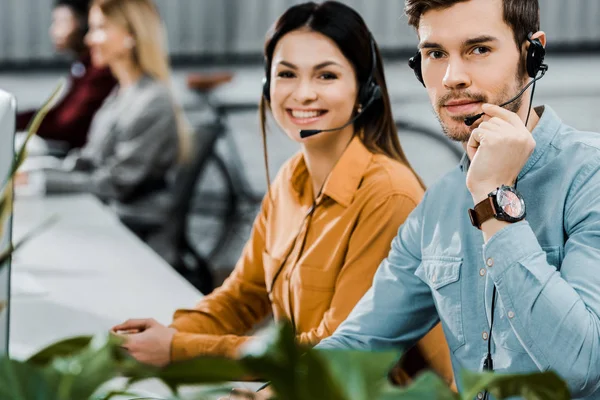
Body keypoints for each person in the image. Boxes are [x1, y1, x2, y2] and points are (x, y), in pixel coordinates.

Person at [112, 0, 454, 387]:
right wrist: (165, 336)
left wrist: (181, 349)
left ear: (364, 91)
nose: (303, 93)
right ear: (267, 85)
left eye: (326, 76)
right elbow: (243, 295)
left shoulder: (389, 195)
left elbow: (337, 350)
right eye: (287, 74)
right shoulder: (291, 178)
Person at [316, 0, 600, 398]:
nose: (452, 77)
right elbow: (358, 344)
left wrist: (493, 199)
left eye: (478, 49)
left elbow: (580, 367)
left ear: (531, 54)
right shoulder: (438, 207)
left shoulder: (592, 175)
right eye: (435, 53)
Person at [16, 0, 187, 232]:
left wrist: (38, 181)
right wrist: (36, 171)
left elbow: (117, 183)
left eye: (100, 28)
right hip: (107, 210)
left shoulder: (152, 101)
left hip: (129, 223)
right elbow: (89, 161)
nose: (88, 39)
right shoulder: (121, 92)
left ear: (131, 35)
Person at [16, 0, 116, 154]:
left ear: (84, 24)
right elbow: (58, 114)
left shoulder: (99, 71)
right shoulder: (82, 66)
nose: (53, 31)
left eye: (61, 22)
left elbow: (65, 124)